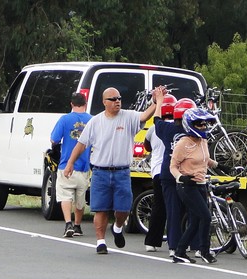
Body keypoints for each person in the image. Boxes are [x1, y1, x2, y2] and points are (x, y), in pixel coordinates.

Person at [64, 87, 160, 254]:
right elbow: (81, 144)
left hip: (122, 171)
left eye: (119, 98)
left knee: (123, 209)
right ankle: (100, 241)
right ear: (104, 102)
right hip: (100, 172)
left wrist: (156, 101)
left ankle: (117, 227)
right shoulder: (95, 121)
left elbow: (145, 116)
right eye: (113, 99)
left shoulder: (128, 116)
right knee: (100, 209)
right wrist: (70, 163)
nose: (117, 101)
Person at [169, 107, 222, 264]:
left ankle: (179, 252)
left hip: (201, 184)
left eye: (204, 123)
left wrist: (220, 165)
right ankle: (204, 251)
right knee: (205, 217)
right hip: (187, 186)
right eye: (199, 124)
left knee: (197, 220)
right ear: (190, 124)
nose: (203, 126)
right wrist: (181, 178)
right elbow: (172, 166)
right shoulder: (183, 144)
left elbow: (206, 160)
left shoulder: (203, 141)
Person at [50, 92, 92, 237]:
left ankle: (68, 223)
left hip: (66, 165)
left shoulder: (65, 119)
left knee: (65, 196)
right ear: (85, 103)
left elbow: (54, 139)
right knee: (80, 199)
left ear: (71, 104)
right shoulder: (92, 120)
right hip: (84, 166)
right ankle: (78, 225)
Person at [143, 93, 177, 252]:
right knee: (177, 208)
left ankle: (151, 242)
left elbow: (147, 147)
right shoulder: (180, 126)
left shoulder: (153, 128)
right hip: (176, 171)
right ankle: (177, 241)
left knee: (159, 206)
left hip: (158, 170)